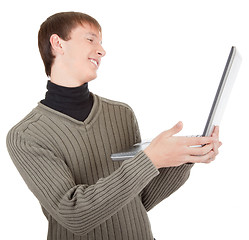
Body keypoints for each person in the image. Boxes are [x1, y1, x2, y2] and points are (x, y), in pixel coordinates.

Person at [6, 11, 221, 240]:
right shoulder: (25, 136)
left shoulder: (121, 114)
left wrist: (185, 157)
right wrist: (150, 159)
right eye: (90, 39)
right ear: (58, 43)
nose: (102, 50)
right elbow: (74, 215)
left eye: (101, 42)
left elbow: (138, 200)